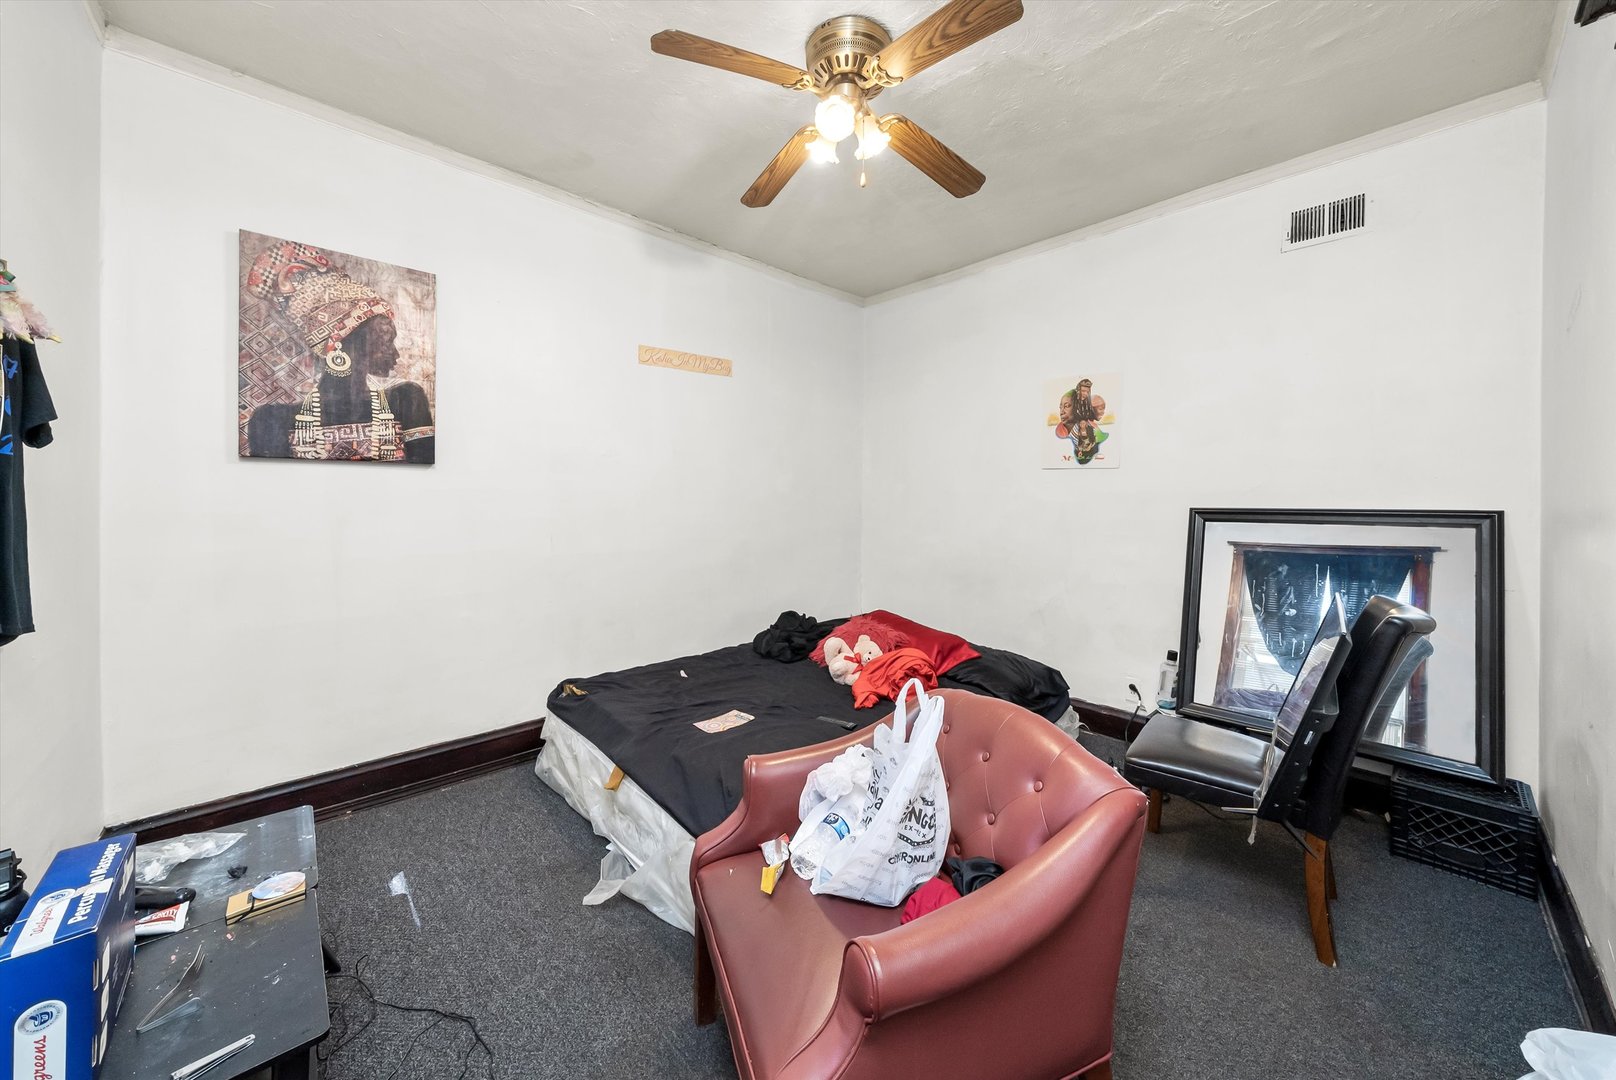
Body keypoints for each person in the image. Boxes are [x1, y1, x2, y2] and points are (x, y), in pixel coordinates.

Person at [244, 241, 434, 463]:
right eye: (386, 341)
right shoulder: (272, 419)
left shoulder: (407, 398)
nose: (395, 353)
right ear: (345, 346)